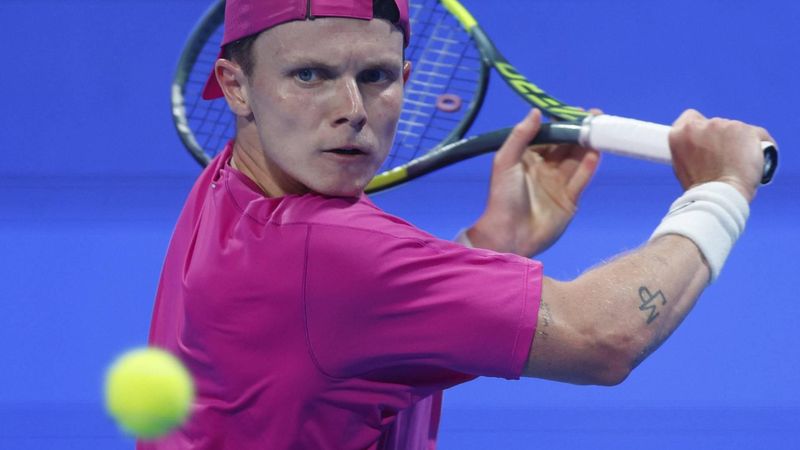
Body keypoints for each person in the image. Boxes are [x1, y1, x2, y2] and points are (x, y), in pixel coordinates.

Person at [142, 0, 775, 448]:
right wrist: (722, 188)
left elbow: (348, 328)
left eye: (377, 76)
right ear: (235, 86)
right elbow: (603, 339)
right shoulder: (326, 250)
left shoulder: (231, 187)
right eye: (309, 76)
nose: (352, 111)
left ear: (406, 79)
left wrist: (491, 246)